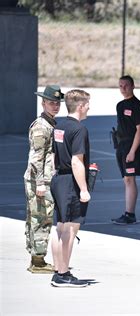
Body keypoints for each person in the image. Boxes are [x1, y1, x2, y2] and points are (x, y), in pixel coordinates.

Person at [50, 89, 91, 287]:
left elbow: (52, 155)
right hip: (70, 182)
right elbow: (77, 161)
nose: (89, 108)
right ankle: (64, 274)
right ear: (81, 106)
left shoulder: (58, 125)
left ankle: (59, 270)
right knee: (70, 230)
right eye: (88, 104)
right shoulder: (79, 129)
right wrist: (83, 189)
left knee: (59, 228)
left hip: (58, 179)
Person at [24, 85, 63, 273]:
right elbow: (36, 158)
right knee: (42, 218)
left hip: (44, 178)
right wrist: (40, 183)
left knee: (37, 217)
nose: (55, 106)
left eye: (57, 103)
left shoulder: (50, 123)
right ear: (43, 103)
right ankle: (38, 262)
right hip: (40, 180)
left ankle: (36, 258)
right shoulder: (41, 126)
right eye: (51, 103)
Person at [111, 75, 140, 225]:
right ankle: (127, 212)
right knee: (126, 179)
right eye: (120, 86)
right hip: (122, 146)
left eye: (126, 85)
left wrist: (132, 151)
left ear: (133, 86)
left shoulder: (137, 105)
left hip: (132, 146)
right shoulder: (119, 105)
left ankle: (130, 214)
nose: (123, 88)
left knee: (130, 179)